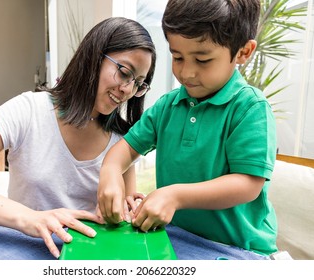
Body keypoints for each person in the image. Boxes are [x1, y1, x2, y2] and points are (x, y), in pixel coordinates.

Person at [0, 17, 156, 258]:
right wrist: (31, 219)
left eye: (138, 83)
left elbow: (121, 221)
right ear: (94, 57)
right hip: (20, 253)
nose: (128, 90)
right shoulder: (29, 110)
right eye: (124, 72)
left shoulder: (123, 141)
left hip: (83, 260)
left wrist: (125, 211)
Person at [98, 0, 278, 257]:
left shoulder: (250, 108)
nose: (187, 72)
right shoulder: (168, 106)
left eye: (202, 60)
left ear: (243, 52)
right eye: (177, 57)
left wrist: (176, 196)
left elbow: (248, 184)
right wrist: (110, 170)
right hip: (177, 239)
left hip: (239, 249)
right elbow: (124, 150)